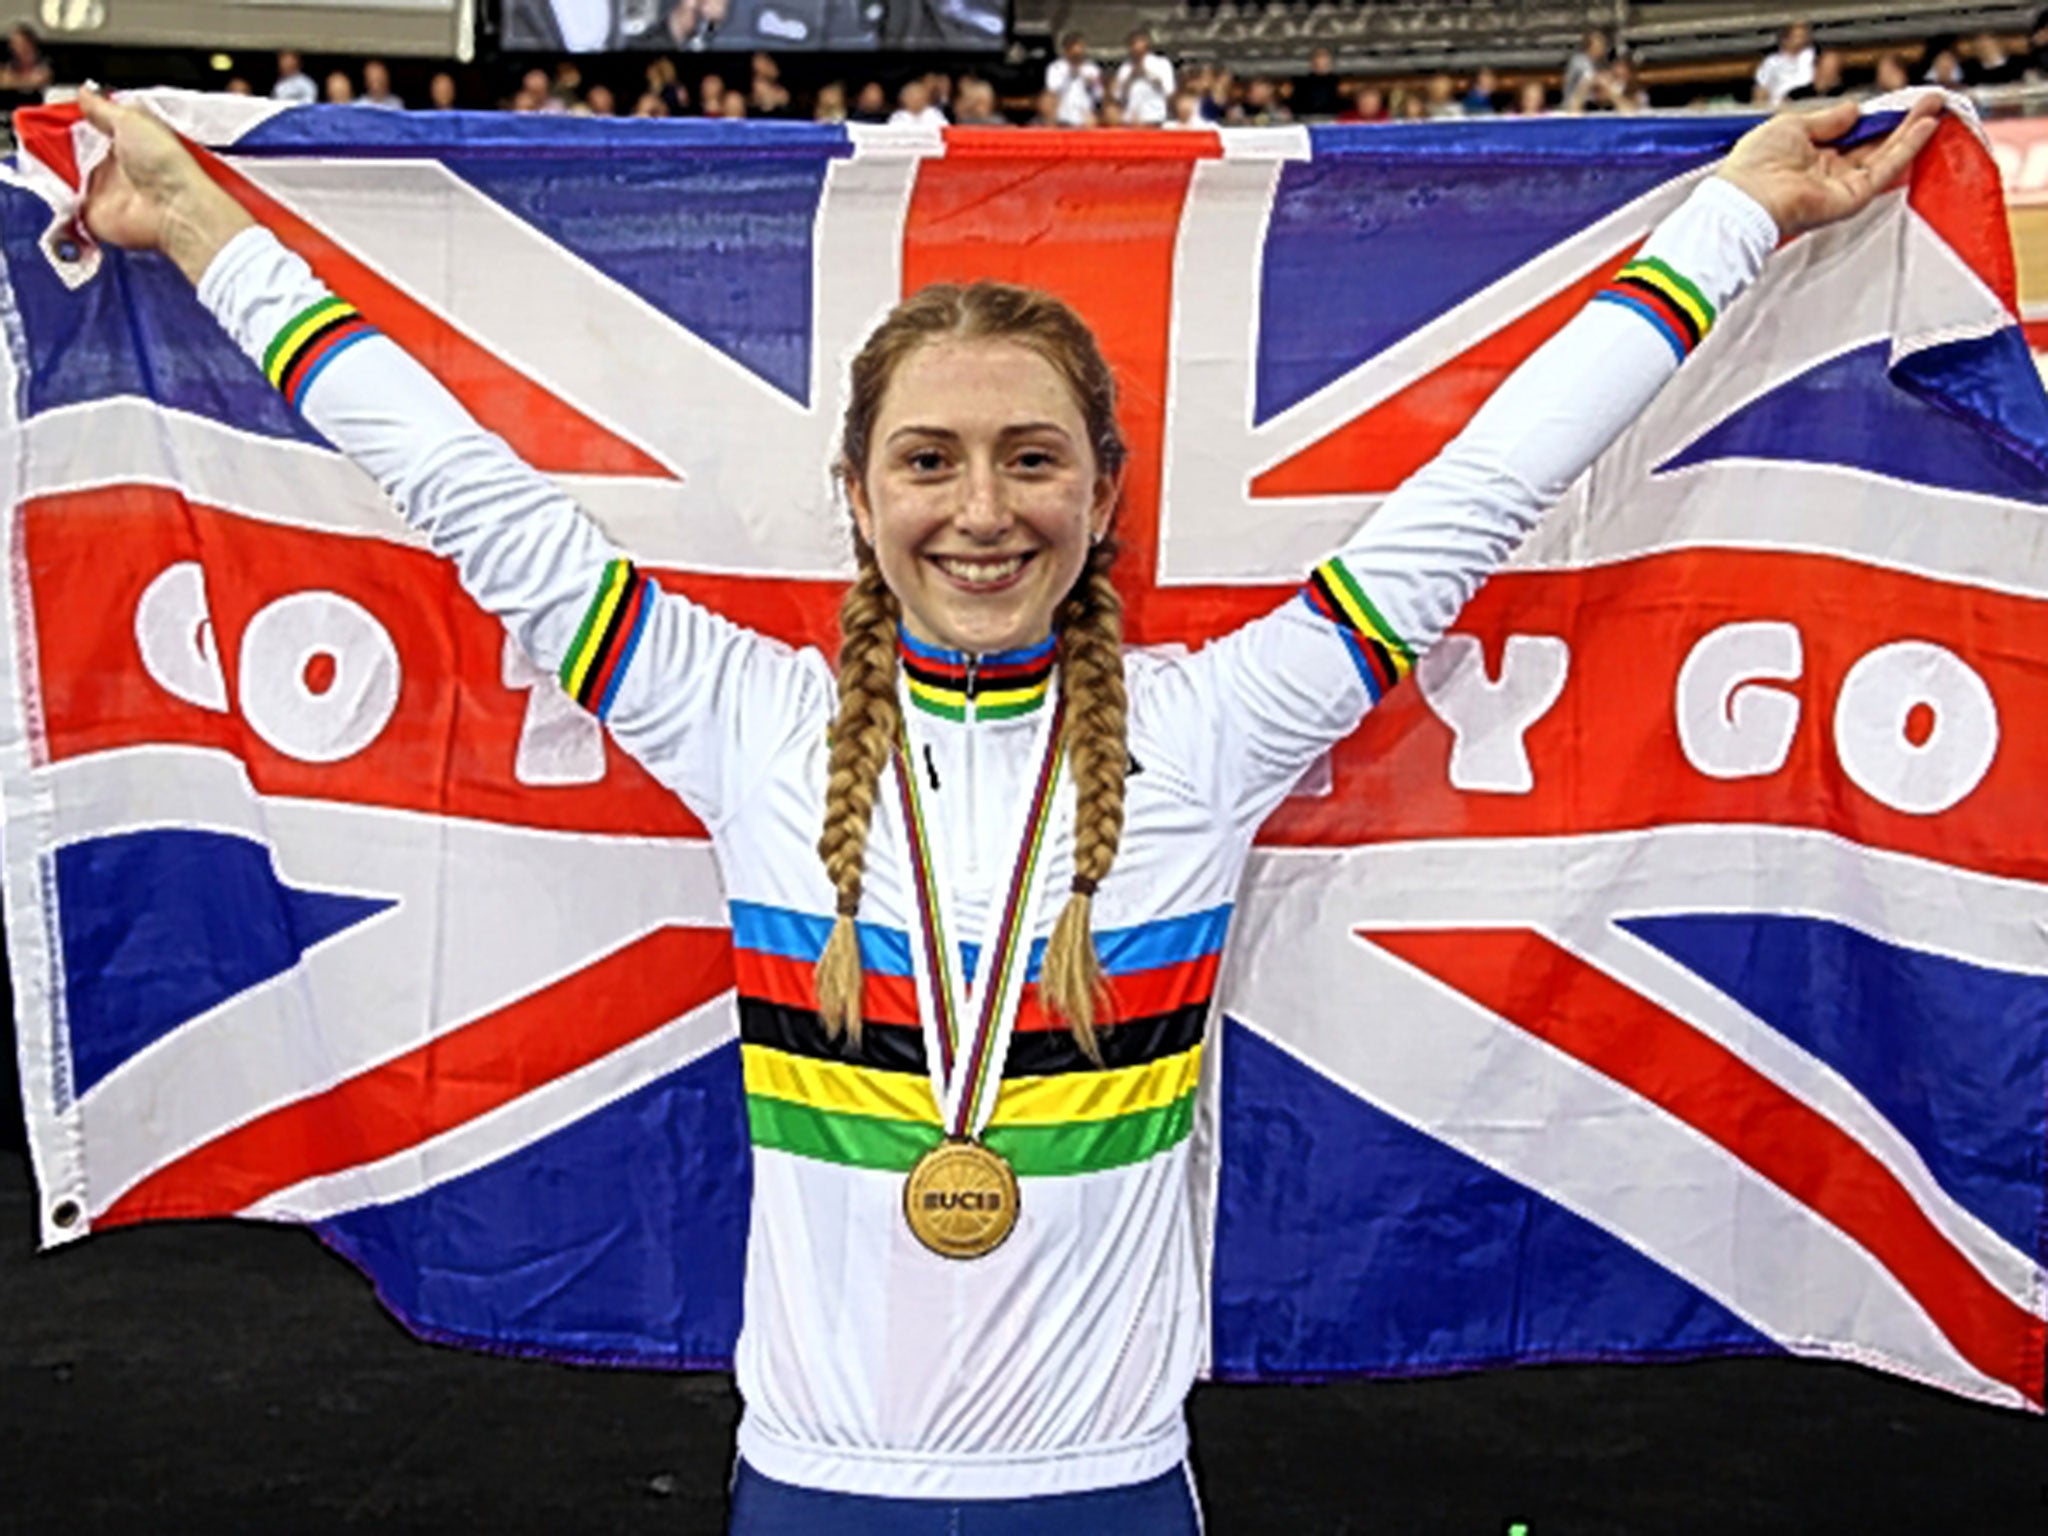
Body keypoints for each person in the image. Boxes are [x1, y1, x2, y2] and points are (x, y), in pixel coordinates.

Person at [71, 83, 1943, 1536]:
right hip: (811, 1485)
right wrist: (206, 225)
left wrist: (1736, 219)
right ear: (861, 496)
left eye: (1031, 457)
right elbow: (462, 484)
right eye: (931, 460)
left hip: (1112, 1483)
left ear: (1103, 488)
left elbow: (1480, 493)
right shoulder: (744, 720)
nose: (983, 509)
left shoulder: (1209, 737)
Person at [1112, 28, 1174, 126]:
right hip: (1131, 120)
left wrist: (1146, 72)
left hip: (1154, 118)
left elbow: (1169, 90)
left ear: (1147, 43)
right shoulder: (1125, 68)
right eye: (1132, 44)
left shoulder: (1161, 63)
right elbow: (1117, 96)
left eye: (1138, 42)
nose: (1135, 47)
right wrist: (1130, 78)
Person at [1045, 31, 1102, 127]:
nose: (1077, 51)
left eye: (1080, 46)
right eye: (1072, 47)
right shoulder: (1055, 68)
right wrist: (1069, 73)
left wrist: (1092, 83)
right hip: (1062, 116)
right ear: (1066, 49)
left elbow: (1099, 95)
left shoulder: (1092, 68)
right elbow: (1052, 90)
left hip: (1085, 117)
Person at [1754, 21, 1816, 105]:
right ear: (1784, 39)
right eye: (1797, 37)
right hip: (1779, 107)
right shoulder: (1771, 62)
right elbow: (1761, 90)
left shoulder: (1812, 55)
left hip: (1809, 102)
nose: (1802, 40)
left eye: (1804, 36)